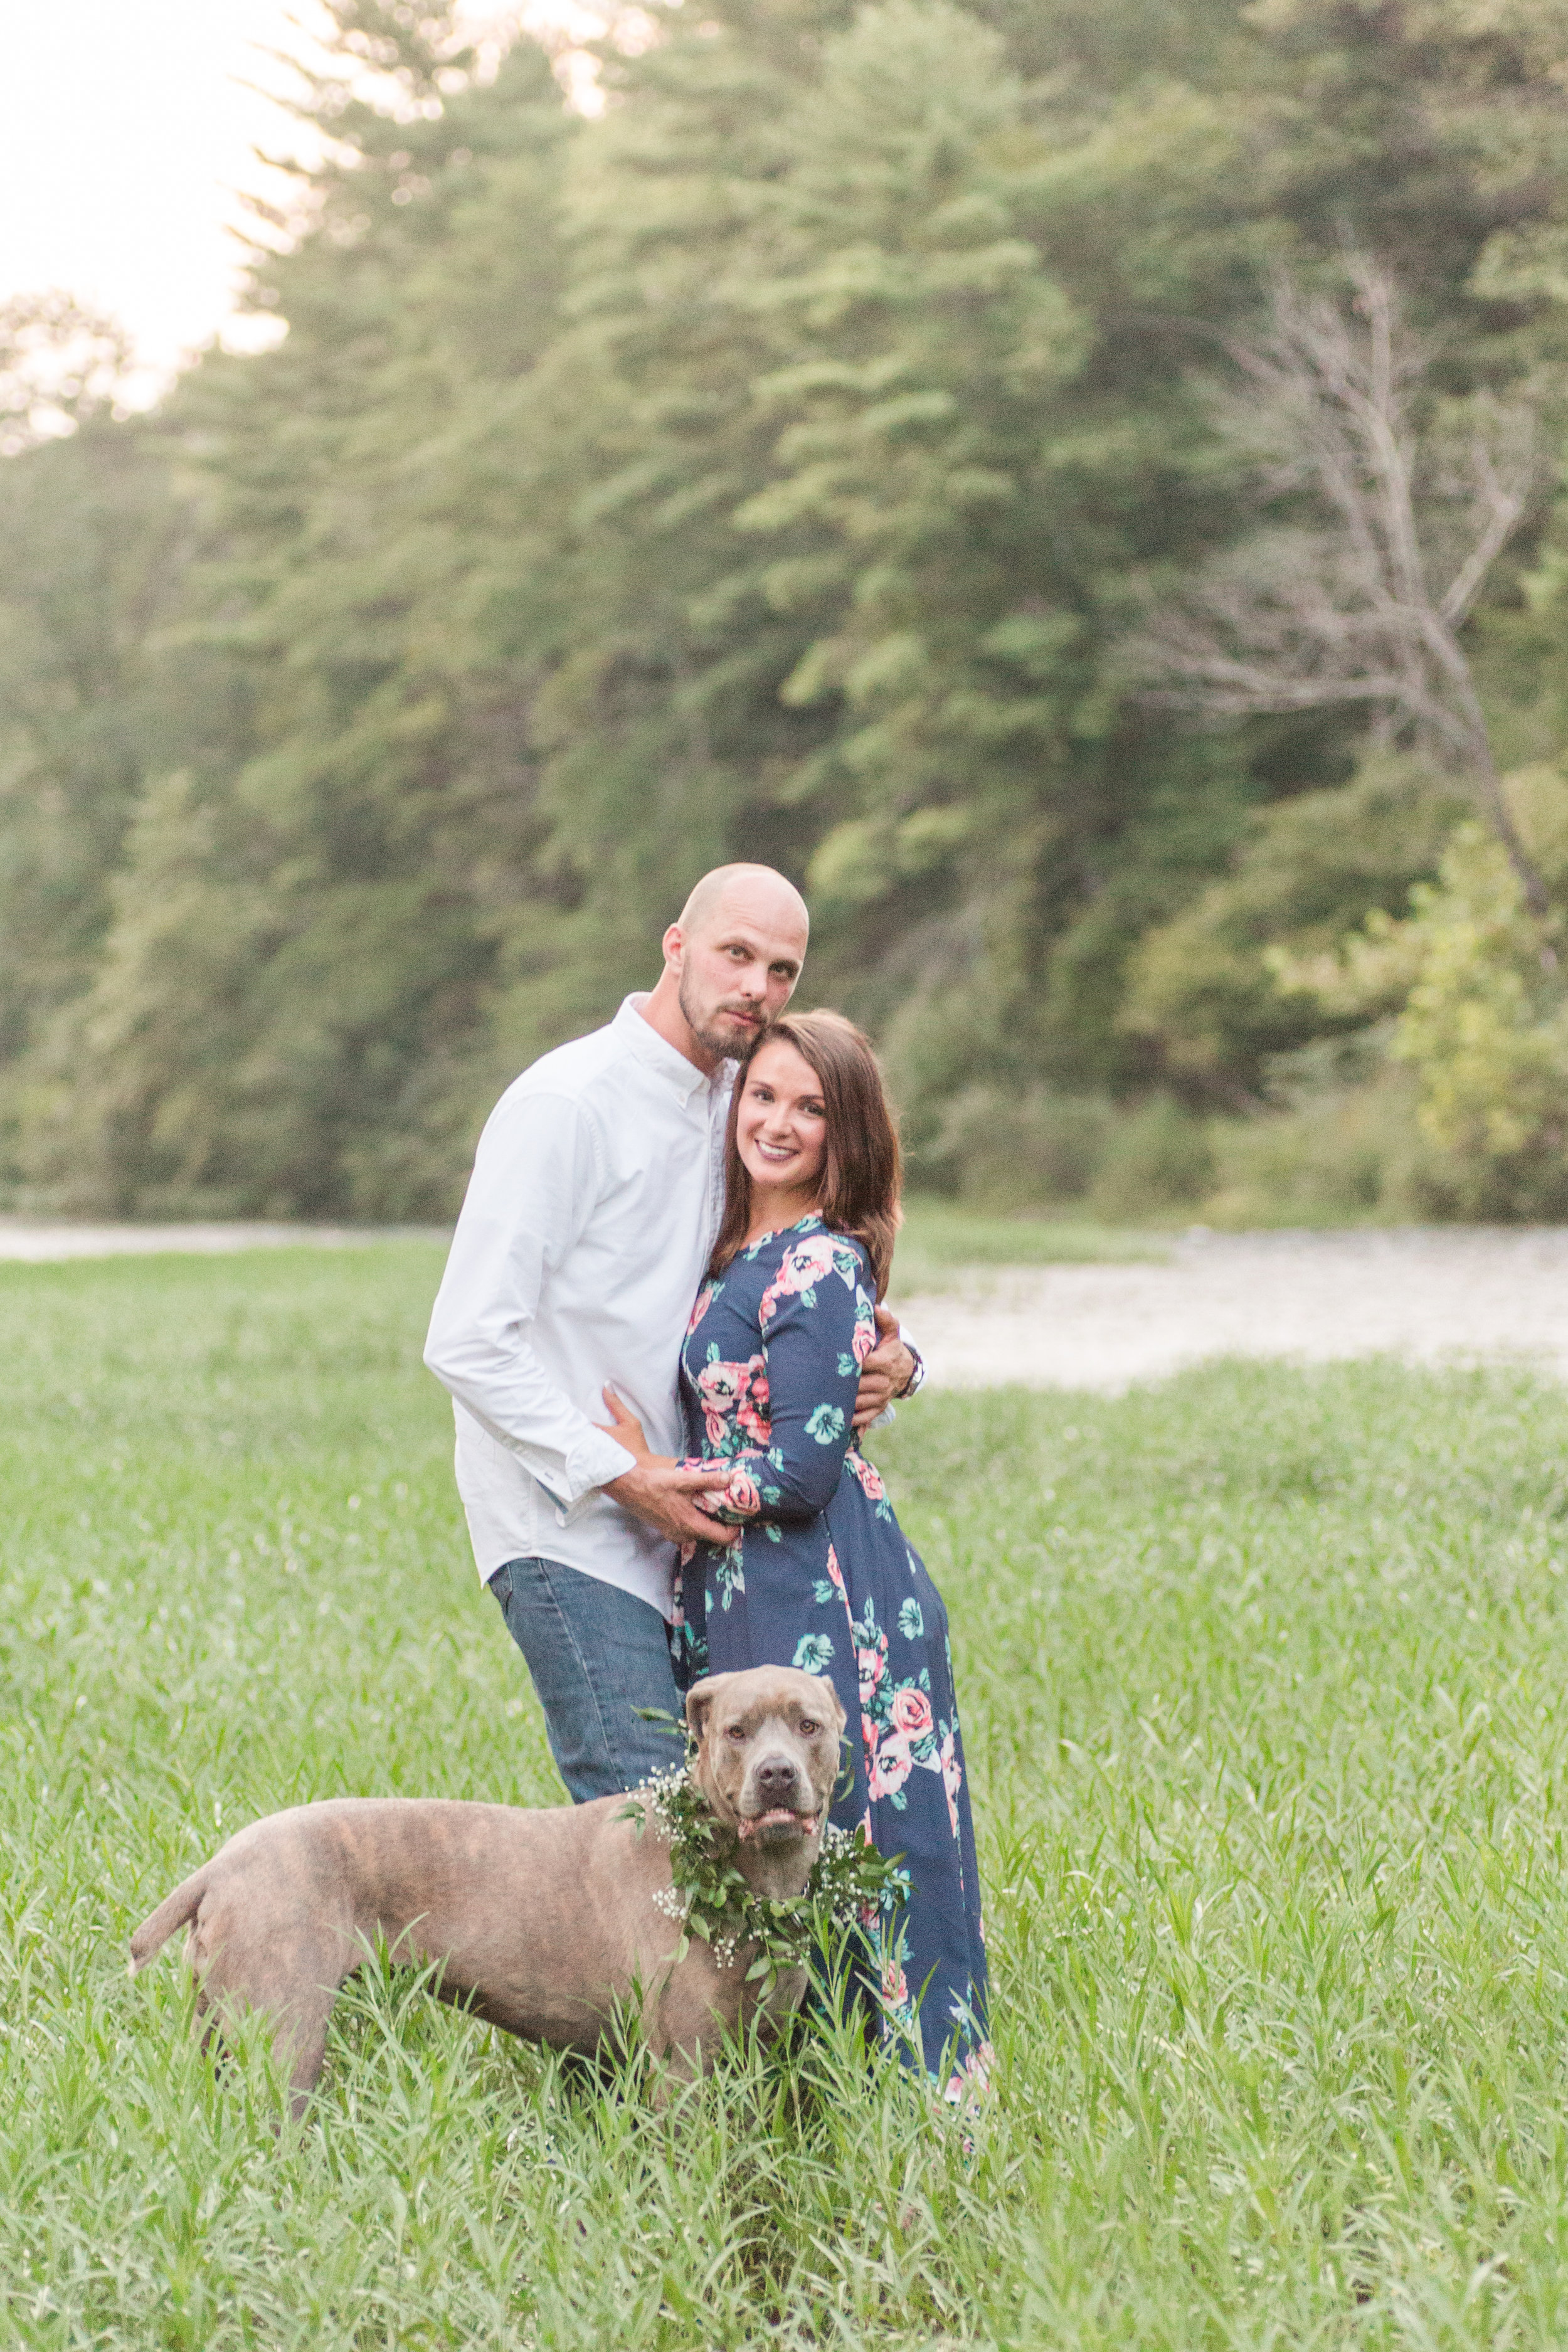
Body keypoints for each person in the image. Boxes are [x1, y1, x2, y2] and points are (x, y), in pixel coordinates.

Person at [422, 865, 918, 1803]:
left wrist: (900, 1361)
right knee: (651, 1828)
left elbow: (807, 1270)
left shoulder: (745, 1102)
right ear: (676, 946)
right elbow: (466, 1338)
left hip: (703, 1536)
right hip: (571, 1526)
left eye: (782, 970)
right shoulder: (567, 1103)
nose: (756, 988)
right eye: (737, 954)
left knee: (733, 1823)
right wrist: (623, 1474)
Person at [600, 1010, 989, 2098]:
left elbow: (803, 1471)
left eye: (809, 1108)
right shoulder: (743, 1247)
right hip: (754, 1584)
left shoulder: (816, 1260)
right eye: (762, 1096)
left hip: (824, 1593)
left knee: (865, 1851)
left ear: (845, 1132)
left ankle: (918, 2107)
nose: (777, 1122)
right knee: (771, 1849)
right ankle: (798, 2096)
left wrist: (657, 1477)